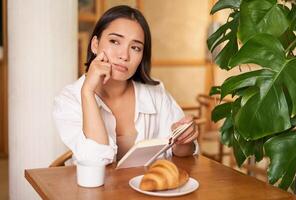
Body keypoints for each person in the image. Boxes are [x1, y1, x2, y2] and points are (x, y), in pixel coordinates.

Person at [53, 5, 199, 165]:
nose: (124, 55)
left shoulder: (156, 93)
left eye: (135, 48)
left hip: (147, 189)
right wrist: (87, 92)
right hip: (91, 190)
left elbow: (185, 153)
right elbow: (95, 161)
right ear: (95, 44)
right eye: (115, 41)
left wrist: (184, 141)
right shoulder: (69, 99)